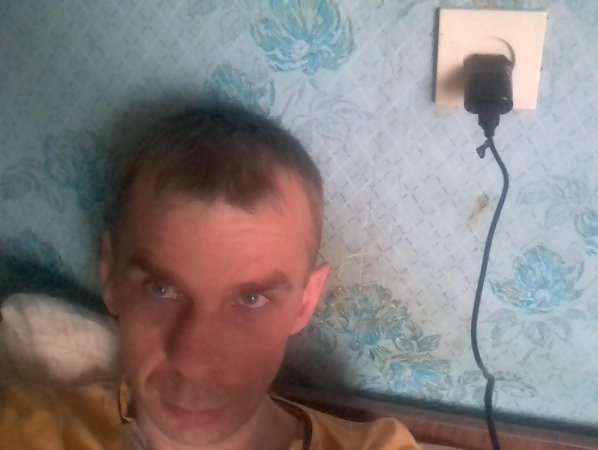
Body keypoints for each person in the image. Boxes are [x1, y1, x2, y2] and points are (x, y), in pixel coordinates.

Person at [0, 104, 420, 450]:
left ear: (305, 303)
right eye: (161, 290)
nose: (194, 364)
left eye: (251, 300)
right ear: (110, 276)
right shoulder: (24, 428)